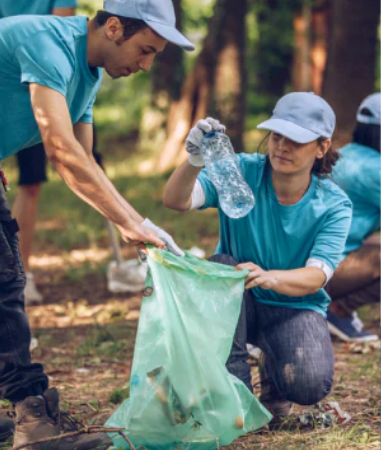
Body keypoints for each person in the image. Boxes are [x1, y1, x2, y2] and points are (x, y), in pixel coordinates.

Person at [0, 0, 194, 447]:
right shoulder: (47, 42)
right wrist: (132, 222)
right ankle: (33, 421)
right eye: (144, 50)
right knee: (5, 280)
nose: (146, 65)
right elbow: (60, 149)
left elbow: (83, 162)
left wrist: (136, 224)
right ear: (112, 28)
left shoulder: (87, 76)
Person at [163, 92, 352, 421]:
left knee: (310, 385)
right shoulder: (240, 172)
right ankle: (235, 395)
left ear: (322, 147)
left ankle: (274, 377)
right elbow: (176, 200)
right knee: (221, 265)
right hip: (238, 298)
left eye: (296, 140)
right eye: (278, 135)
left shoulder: (334, 205)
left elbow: (316, 276)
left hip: (293, 307)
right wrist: (193, 160)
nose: (282, 146)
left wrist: (271, 277)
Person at [0, 0, 78, 304]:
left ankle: (23, 272)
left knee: (30, 183)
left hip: (40, 82)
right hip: (16, 78)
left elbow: (60, 27)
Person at [325, 93, 380, 343]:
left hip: (304, 262)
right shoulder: (375, 169)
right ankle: (337, 309)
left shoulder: (343, 154)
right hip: (322, 269)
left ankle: (335, 308)